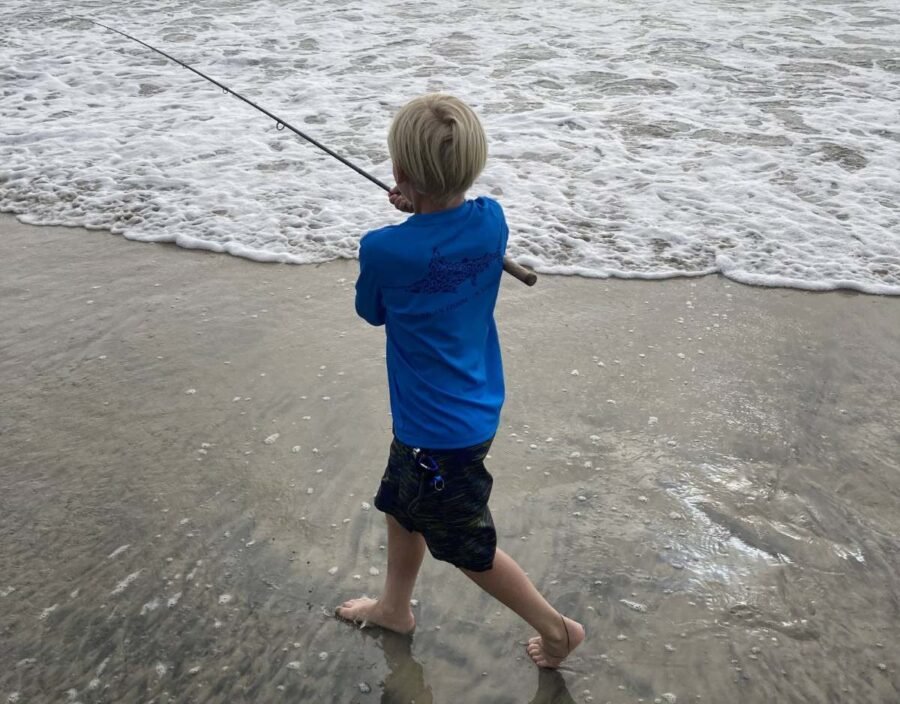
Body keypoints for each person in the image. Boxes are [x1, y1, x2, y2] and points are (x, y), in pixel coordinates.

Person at [336, 94, 584, 669]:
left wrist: (410, 220)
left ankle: (557, 628)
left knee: (466, 545)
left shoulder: (383, 248)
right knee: (402, 505)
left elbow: (372, 311)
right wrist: (421, 210)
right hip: (470, 405)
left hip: (437, 430)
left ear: (399, 173)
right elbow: (449, 230)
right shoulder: (491, 219)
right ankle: (395, 606)